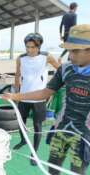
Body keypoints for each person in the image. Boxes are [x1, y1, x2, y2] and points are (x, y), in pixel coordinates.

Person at [2, 24, 90, 175]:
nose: (70, 56)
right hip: (63, 127)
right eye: (68, 51)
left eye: (75, 51)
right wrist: (17, 96)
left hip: (85, 134)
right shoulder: (66, 69)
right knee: (54, 164)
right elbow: (45, 92)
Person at [13, 33, 60, 166]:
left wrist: (51, 87)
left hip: (39, 98)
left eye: (33, 47)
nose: (29, 50)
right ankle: (23, 140)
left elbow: (61, 70)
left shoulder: (46, 57)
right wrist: (16, 93)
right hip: (23, 96)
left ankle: (34, 153)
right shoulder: (20, 58)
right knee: (20, 122)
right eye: (27, 47)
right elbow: (17, 75)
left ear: (38, 46)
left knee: (37, 126)